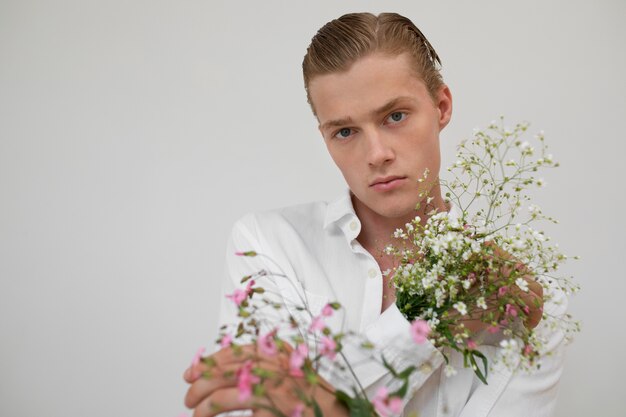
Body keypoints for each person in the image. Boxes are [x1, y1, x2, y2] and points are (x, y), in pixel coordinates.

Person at [183, 12, 565, 417]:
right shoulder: (268, 243)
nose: (376, 154)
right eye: (345, 132)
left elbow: (295, 407)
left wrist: (323, 402)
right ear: (325, 138)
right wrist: (429, 326)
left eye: (395, 116)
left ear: (441, 106)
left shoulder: (514, 293)